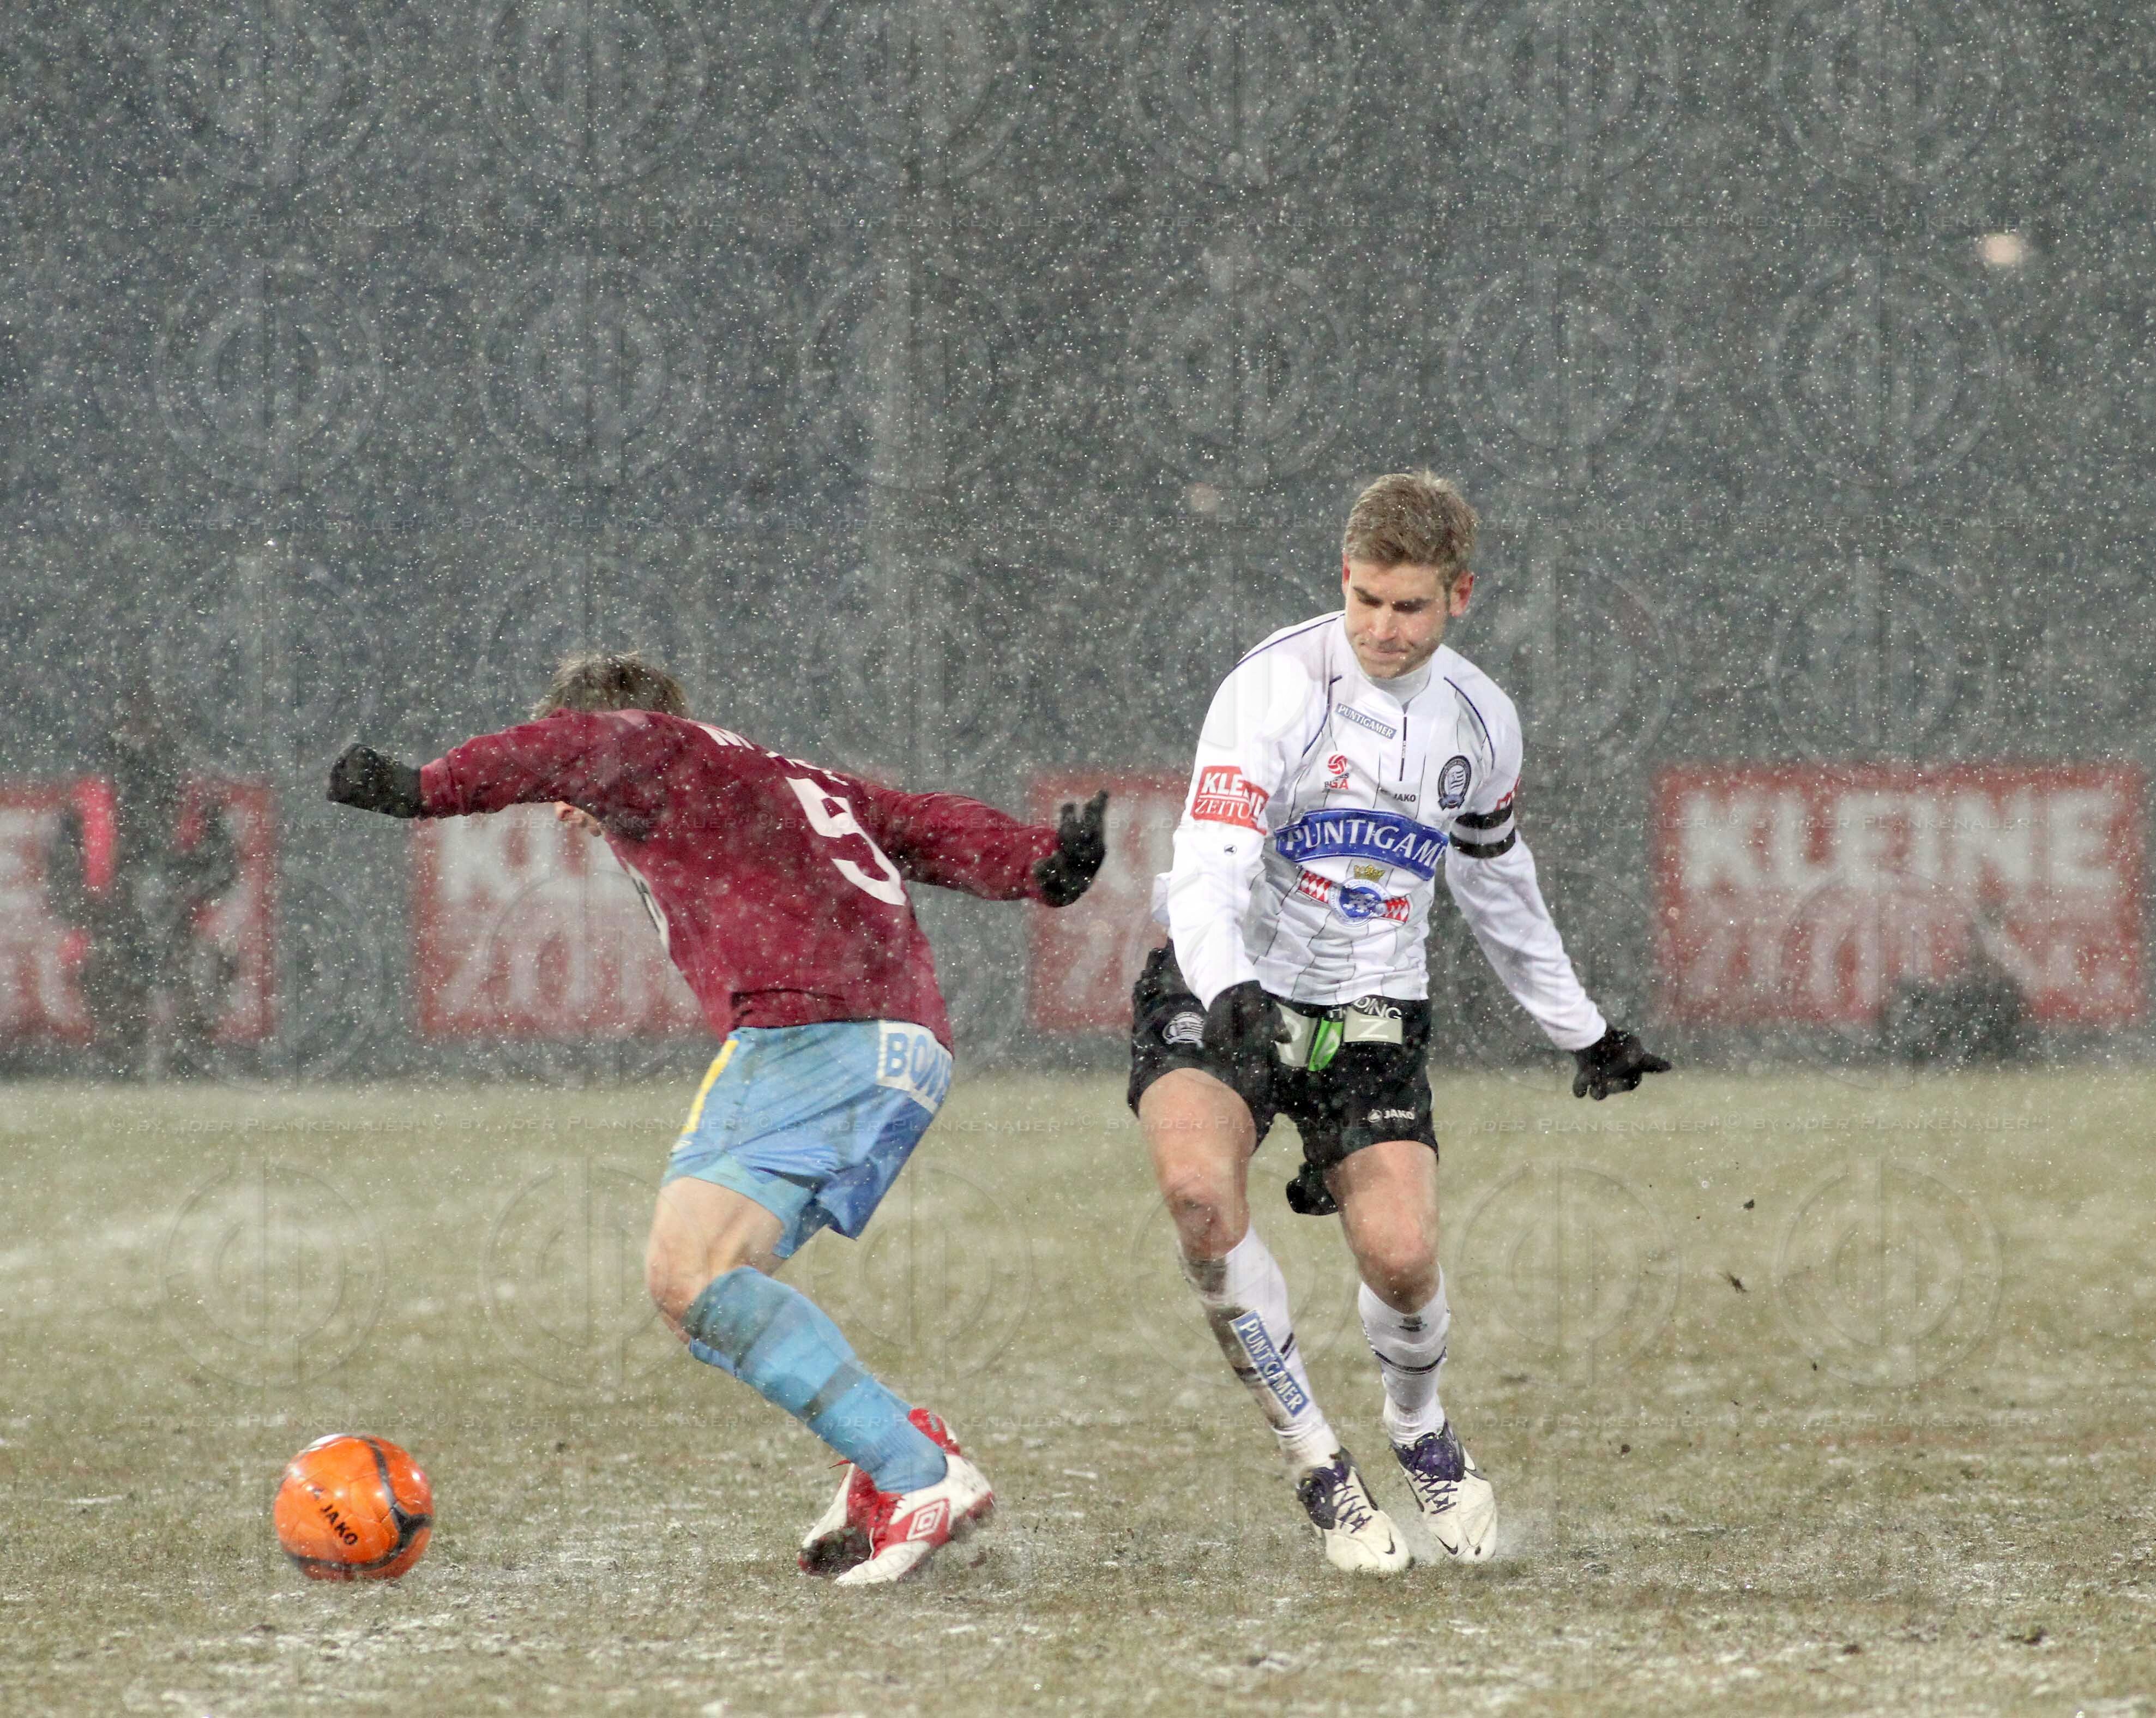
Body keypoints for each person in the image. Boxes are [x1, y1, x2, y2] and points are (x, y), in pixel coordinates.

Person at [327, 650, 1107, 1585]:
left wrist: (423, 789)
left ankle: (917, 1473)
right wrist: (1041, 864)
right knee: (713, 1287)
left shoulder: (655, 751)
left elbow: (575, 747)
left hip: (813, 1030)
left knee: (687, 1274)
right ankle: (895, 1450)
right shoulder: (778, 773)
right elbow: (918, 823)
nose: (563, 798)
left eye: (570, 769)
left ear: (612, 733)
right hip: (903, 1047)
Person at [1133, 472, 1667, 1574]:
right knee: (1197, 1196)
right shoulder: (1273, 689)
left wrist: (1579, 1027)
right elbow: (1208, 864)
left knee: (1404, 1260)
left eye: (1408, 606)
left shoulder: (1482, 726)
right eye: (1365, 598)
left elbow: (1495, 881)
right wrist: (1230, 984)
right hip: (1222, 986)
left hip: (1371, 1009)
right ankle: (1316, 1461)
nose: (1381, 627)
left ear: (1460, 595)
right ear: (1345, 578)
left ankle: (1420, 1432)